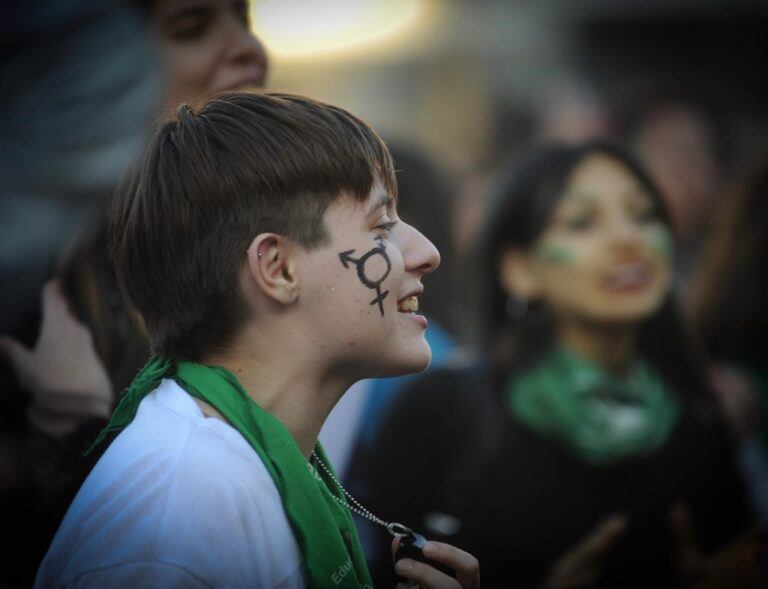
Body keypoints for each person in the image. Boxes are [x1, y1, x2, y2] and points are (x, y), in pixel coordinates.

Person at [35, 90, 480, 589]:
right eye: (381, 226)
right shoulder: (180, 515)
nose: (427, 252)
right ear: (277, 268)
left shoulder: (246, 470)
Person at [359, 142, 760, 587]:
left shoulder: (700, 414)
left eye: (644, 216)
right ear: (519, 269)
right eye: (581, 223)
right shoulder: (445, 409)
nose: (628, 239)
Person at [0, 3, 269, 584]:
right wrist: (59, 442)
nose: (251, 50)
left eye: (245, 17)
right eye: (190, 27)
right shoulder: (24, 277)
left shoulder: (241, 254)